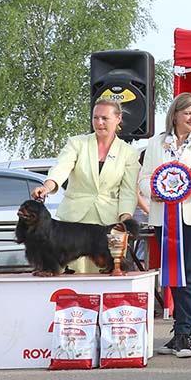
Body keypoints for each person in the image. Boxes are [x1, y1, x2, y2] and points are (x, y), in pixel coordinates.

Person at [139, 93, 191, 358]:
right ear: (175, 115)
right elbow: (144, 176)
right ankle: (180, 330)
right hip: (165, 215)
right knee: (172, 272)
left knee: (190, 272)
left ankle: (186, 331)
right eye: (188, 113)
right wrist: (152, 189)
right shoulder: (156, 144)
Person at [32, 99, 142, 274]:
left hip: (107, 222)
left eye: (105, 118)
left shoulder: (129, 153)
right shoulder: (77, 143)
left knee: (108, 276)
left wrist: (124, 222)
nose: (99, 123)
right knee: (72, 280)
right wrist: (47, 186)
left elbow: (128, 191)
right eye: (95, 117)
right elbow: (61, 168)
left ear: (118, 119)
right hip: (73, 223)